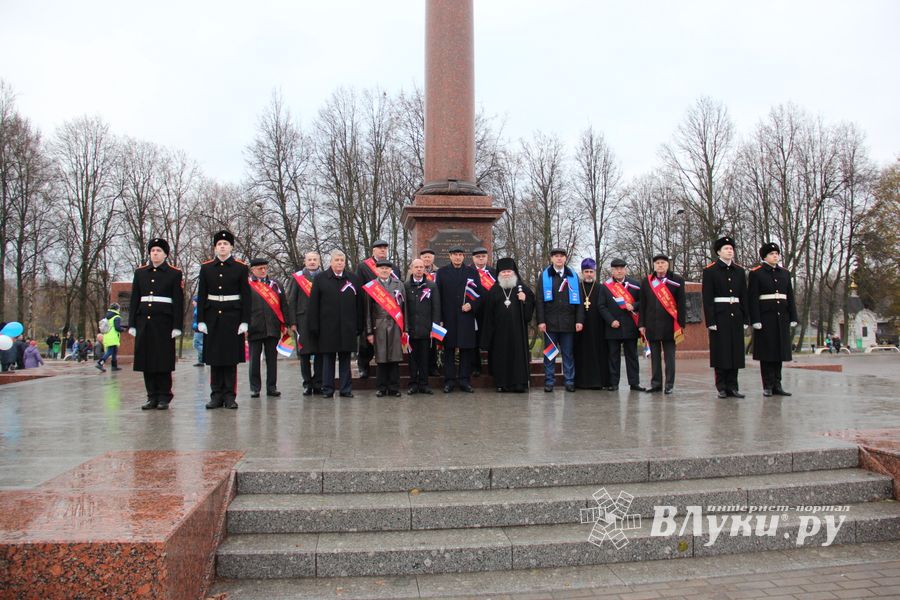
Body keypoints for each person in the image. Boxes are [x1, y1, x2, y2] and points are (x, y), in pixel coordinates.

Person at [128, 238, 185, 410]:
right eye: (153, 250)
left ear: (165, 254)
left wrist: (177, 325)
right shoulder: (140, 273)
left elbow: (178, 301)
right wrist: (132, 324)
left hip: (164, 322)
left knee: (162, 361)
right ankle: (151, 395)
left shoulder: (174, 273)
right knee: (147, 360)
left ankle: (164, 396)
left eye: (159, 251)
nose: (155, 253)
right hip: (144, 321)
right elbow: (134, 299)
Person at [197, 230, 251, 410]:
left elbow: (246, 296)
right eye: (219, 244)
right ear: (215, 247)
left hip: (232, 318)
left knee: (230, 359)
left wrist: (245, 321)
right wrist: (201, 320)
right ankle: (216, 395)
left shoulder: (241, 268)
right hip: (212, 317)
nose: (222, 247)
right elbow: (202, 294)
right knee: (214, 358)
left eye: (225, 244)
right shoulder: (206, 268)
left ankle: (229, 396)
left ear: (231, 247)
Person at [308, 250, 364, 398]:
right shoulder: (320, 279)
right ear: (331, 262)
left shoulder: (353, 279)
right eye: (337, 260)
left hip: (348, 327)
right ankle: (328, 389)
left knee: (346, 359)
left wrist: (360, 325)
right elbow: (313, 304)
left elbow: (360, 305)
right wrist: (314, 326)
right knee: (328, 359)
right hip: (327, 327)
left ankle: (346, 389)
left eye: (342, 260)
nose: (339, 263)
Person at [748, 242, 798, 397]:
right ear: (764, 256)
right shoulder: (757, 273)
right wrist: (755, 319)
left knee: (779, 352)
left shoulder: (784, 273)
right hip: (766, 317)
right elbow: (753, 298)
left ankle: (777, 384)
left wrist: (793, 316)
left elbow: (789, 296)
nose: (775, 256)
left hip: (781, 316)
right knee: (767, 353)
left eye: (777, 253)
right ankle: (767, 385)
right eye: (771, 254)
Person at [702, 236, 749, 398]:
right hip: (720, 315)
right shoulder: (710, 271)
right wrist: (711, 320)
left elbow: (744, 295)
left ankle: (733, 386)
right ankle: (721, 386)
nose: (730, 251)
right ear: (719, 252)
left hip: (735, 314)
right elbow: (707, 298)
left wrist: (745, 318)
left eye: (731, 248)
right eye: (726, 249)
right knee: (721, 352)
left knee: (735, 352)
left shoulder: (740, 271)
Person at [480, 257, 535, 393]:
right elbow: (488, 316)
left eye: (509, 271)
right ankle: (502, 383)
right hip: (500, 333)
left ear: (514, 272)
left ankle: (519, 384)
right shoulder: (493, 290)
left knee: (517, 357)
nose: (506, 274)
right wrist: (487, 338)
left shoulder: (523, 288)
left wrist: (525, 300)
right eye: (503, 272)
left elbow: (529, 314)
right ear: (499, 273)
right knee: (501, 357)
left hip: (518, 332)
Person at [536, 247, 584, 393]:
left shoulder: (573, 276)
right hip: (550, 324)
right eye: (556, 256)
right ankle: (549, 381)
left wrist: (579, 320)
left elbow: (580, 302)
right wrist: (541, 321)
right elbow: (539, 301)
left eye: (561, 256)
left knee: (568, 354)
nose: (559, 259)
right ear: (551, 259)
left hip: (569, 323)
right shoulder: (544, 276)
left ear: (565, 258)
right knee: (550, 354)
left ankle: (569, 381)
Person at [435, 245, 483, 393]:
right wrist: (440, 318)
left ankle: (464, 380)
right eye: (455, 254)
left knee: (466, 350)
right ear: (450, 256)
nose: (458, 257)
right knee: (449, 350)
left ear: (464, 257)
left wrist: (472, 304)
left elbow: (479, 294)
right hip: (448, 318)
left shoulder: (472, 272)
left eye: (460, 255)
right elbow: (438, 297)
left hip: (466, 317)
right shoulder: (442, 273)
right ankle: (449, 381)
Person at [639, 254, 686, 394]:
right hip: (651, 324)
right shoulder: (647, 281)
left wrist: (681, 323)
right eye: (657, 263)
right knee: (655, 357)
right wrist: (641, 324)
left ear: (668, 265)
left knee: (669, 357)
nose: (660, 265)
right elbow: (643, 304)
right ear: (654, 265)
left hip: (670, 325)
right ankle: (656, 384)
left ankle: (669, 384)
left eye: (663, 263)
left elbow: (681, 303)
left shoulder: (677, 280)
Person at [247, 257, 294, 398]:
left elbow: (283, 305)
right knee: (255, 359)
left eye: (265, 268)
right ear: (252, 270)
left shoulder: (276, 285)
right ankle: (255, 388)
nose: (263, 271)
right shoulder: (247, 285)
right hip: (254, 327)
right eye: (259, 268)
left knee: (272, 360)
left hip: (273, 327)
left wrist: (285, 323)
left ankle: (271, 387)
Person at [598, 258, 645, 391]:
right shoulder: (605, 286)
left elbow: (642, 302)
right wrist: (611, 320)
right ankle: (614, 383)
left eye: (621, 268)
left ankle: (634, 383)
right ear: (612, 271)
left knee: (632, 356)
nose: (619, 271)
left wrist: (634, 305)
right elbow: (601, 306)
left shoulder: (635, 285)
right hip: (613, 326)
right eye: (616, 269)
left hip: (630, 325)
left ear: (625, 269)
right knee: (613, 356)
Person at [356, 239, 399, 378]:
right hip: (369, 309)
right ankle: (363, 367)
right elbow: (359, 288)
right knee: (366, 342)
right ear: (373, 250)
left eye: (385, 248)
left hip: (389, 311)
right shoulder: (364, 267)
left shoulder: (394, 268)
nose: (382, 250)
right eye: (379, 248)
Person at [364, 259, 407, 397]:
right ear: (377, 270)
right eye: (381, 268)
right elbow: (368, 312)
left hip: (396, 325)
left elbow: (404, 308)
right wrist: (369, 332)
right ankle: (381, 387)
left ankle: (394, 387)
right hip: (379, 325)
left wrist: (405, 329)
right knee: (381, 358)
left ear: (390, 271)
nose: (384, 270)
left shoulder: (399, 284)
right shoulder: (372, 286)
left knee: (395, 357)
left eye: (387, 269)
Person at [286, 251, 323, 396]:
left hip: (321, 321)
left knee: (320, 353)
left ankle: (318, 383)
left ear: (319, 262)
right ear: (305, 262)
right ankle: (307, 383)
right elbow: (292, 301)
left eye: (315, 259)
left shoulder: (324, 277)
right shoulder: (297, 278)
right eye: (309, 260)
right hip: (302, 321)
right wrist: (293, 322)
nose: (312, 262)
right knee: (304, 354)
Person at [574, 258, 610, 390]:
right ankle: (581, 382)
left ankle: (598, 382)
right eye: (586, 271)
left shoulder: (601, 288)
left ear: (595, 272)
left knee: (598, 353)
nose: (589, 274)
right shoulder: (577, 287)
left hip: (597, 326)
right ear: (582, 272)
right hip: (581, 326)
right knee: (581, 353)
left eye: (591, 271)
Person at [405, 258, 440, 395]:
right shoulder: (406, 286)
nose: (419, 269)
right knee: (413, 360)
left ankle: (424, 384)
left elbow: (436, 308)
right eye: (416, 267)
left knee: (425, 358)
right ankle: (413, 384)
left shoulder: (431, 286)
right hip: (412, 330)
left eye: (421, 267)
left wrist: (434, 327)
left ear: (424, 269)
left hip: (426, 330)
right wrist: (405, 328)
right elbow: (404, 309)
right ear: (411, 269)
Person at [470, 247, 495, 377]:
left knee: (491, 338)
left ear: (487, 257)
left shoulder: (493, 272)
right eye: (478, 257)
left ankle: (492, 366)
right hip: (473, 311)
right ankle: (476, 367)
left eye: (483, 256)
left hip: (490, 312)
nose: (481, 259)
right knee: (474, 340)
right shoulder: (468, 271)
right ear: (473, 258)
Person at [419, 248, 440, 376]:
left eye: (429, 257)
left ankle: (433, 366)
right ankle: (421, 368)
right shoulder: (413, 271)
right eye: (425, 257)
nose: (427, 259)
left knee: (434, 341)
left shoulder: (439, 272)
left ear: (433, 259)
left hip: (434, 310)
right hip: (419, 312)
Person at [95, 302, 125, 372]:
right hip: (113, 336)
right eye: (119, 308)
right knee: (110, 351)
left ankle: (114, 366)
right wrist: (123, 329)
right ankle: (100, 363)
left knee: (114, 351)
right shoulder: (116, 317)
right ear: (117, 309)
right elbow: (117, 328)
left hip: (107, 335)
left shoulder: (108, 316)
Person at [191, 296, 204, 366]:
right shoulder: (197, 309)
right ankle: (201, 361)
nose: (192, 303)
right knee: (200, 344)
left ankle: (206, 353)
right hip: (199, 329)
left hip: (198, 330)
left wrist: (195, 325)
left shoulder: (198, 310)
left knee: (196, 344)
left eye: (194, 301)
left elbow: (198, 319)